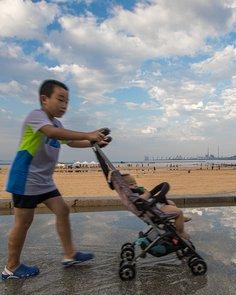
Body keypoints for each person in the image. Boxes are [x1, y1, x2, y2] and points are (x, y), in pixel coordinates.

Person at [2, 79, 111, 280]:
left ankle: (69, 255)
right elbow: (52, 133)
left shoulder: (57, 123)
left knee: (62, 210)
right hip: (25, 179)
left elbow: (70, 141)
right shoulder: (37, 117)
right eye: (60, 99)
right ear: (44, 99)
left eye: (67, 102)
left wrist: (93, 143)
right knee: (23, 222)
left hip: (43, 181)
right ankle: (11, 267)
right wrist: (88, 134)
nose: (64, 105)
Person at [122, 174, 190, 239]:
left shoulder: (131, 193)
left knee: (171, 203)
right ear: (125, 187)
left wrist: (148, 194)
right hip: (154, 212)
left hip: (152, 207)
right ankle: (181, 232)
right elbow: (141, 199)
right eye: (131, 184)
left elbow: (145, 199)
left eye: (135, 183)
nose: (135, 186)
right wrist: (147, 193)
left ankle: (180, 220)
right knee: (179, 212)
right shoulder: (132, 194)